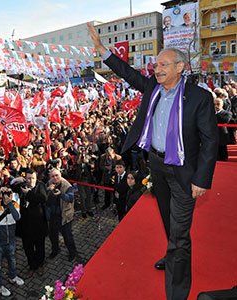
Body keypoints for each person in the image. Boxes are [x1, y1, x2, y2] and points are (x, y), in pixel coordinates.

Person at [88, 22, 218, 300]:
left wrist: (202, 179)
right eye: (156, 65)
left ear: (180, 67)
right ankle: (173, 253)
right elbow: (127, 73)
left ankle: (177, 292)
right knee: (169, 222)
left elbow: (210, 142)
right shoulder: (152, 88)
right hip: (157, 166)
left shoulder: (200, 98)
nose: (156, 69)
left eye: (163, 65)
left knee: (180, 235)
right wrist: (103, 51)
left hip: (185, 173)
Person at [0, 186, 24, 297]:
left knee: (12, 260)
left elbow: (17, 217)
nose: (6, 195)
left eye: (9, 193)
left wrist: (10, 202)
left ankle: (12, 276)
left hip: (11, 239)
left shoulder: (15, 203)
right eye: (5, 193)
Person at [15, 169, 48, 276]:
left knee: (40, 247)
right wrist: (14, 180)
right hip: (25, 225)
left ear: (36, 177)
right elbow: (11, 188)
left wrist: (28, 193)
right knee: (28, 248)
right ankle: (32, 266)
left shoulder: (40, 185)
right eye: (28, 178)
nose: (31, 180)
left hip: (38, 225)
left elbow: (43, 198)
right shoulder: (22, 185)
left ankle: (40, 265)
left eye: (33, 178)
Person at [45, 168, 78, 262]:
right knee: (53, 235)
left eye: (57, 175)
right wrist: (48, 190)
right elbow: (44, 194)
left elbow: (70, 198)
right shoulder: (49, 183)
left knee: (67, 237)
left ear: (60, 175)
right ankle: (55, 250)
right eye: (52, 176)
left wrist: (61, 194)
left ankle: (73, 253)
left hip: (64, 216)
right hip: (52, 215)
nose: (55, 178)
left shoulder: (67, 185)